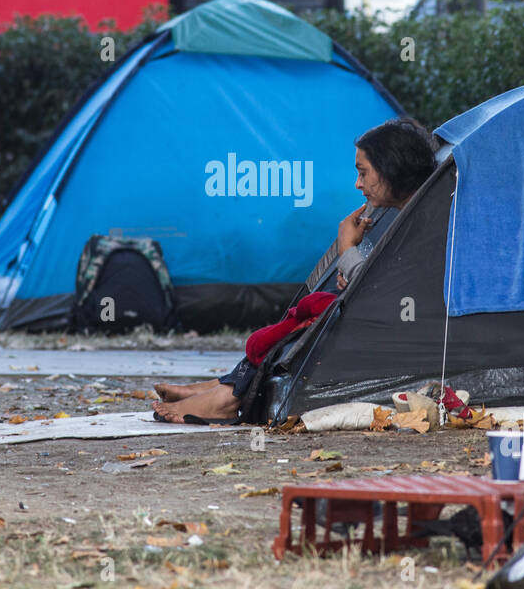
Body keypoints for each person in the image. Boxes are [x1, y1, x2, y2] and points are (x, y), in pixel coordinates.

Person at [151, 118, 437, 424]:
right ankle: (224, 387)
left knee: (318, 311)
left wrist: (347, 253)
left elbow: (391, 300)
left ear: (392, 168)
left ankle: (224, 396)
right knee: (316, 306)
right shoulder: (416, 214)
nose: (358, 184)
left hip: (401, 339)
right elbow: (388, 288)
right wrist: (353, 272)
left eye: (363, 172)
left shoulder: (428, 222)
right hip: (390, 327)